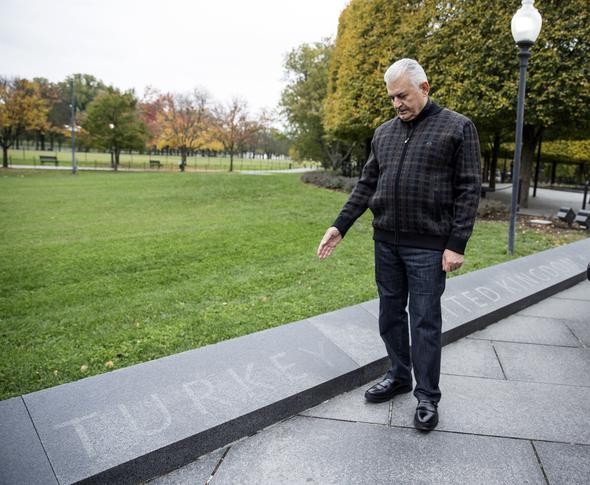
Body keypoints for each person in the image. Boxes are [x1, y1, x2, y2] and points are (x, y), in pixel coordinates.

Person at [317, 58, 481, 431]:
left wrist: (457, 244)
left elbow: (469, 189)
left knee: (425, 320)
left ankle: (427, 396)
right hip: (385, 242)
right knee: (390, 315)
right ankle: (399, 374)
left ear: (424, 88)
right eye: (392, 98)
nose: (397, 104)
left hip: (427, 246)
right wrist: (339, 226)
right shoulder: (383, 133)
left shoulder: (458, 128)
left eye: (402, 96)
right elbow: (366, 184)